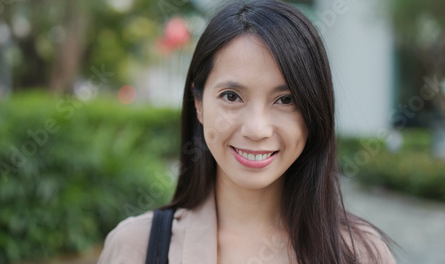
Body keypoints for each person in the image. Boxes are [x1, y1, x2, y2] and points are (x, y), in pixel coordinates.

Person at [98, 0, 396, 263]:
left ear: (314, 111)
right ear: (198, 103)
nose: (256, 129)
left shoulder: (361, 253)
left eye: (285, 100)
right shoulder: (136, 247)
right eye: (231, 96)